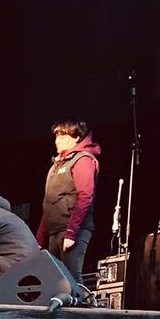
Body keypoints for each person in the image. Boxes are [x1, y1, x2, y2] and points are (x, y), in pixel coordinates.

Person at [35, 119, 101, 283]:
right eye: (57, 136)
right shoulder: (55, 166)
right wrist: (38, 241)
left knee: (71, 278)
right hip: (55, 231)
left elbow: (85, 196)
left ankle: (82, 307)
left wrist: (71, 232)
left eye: (63, 136)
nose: (57, 141)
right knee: (54, 280)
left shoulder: (82, 160)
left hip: (73, 230)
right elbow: (49, 205)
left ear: (76, 137)